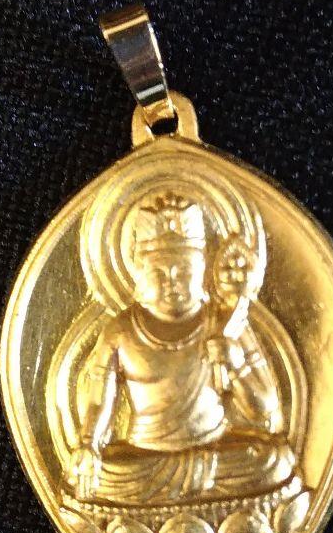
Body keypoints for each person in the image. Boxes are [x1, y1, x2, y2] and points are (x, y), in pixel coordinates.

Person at [67, 191, 299, 506]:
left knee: (275, 460)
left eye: (183, 272)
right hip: (144, 459)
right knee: (104, 475)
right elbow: (99, 398)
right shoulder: (120, 330)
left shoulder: (225, 322)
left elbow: (265, 408)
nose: (172, 282)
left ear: (202, 271)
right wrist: (88, 444)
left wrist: (234, 361)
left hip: (215, 452)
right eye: (159, 273)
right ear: (138, 273)